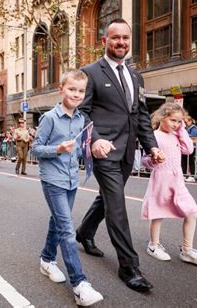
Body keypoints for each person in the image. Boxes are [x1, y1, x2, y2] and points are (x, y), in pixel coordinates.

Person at [75, 18, 162, 293]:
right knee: (117, 205)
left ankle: (85, 232)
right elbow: (81, 113)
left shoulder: (137, 76)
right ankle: (129, 266)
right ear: (104, 41)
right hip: (104, 151)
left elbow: (141, 115)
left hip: (127, 151)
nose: (121, 42)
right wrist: (95, 140)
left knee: (107, 199)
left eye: (125, 38)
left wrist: (152, 146)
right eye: (115, 38)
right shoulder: (90, 72)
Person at [32, 69, 103, 307]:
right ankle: (80, 284)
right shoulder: (50, 118)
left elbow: (81, 148)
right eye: (71, 89)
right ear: (61, 89)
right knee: (67, 229)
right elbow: (36, 149)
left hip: (72, 179)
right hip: (53, 180)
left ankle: (46, 259)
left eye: (81, 91)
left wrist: (96, 147)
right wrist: (58, 149)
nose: (76, 94)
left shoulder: (82, 119)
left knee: (58, 222)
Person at [141, 102, 197, 267]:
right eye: (173, 120)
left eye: (179, 121)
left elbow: (188, 150)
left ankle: (187, 250)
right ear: (161, 117)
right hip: (161, 178)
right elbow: (145, 160)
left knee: (192, 212)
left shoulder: (176, 135)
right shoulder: (154, 136)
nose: (176, 124)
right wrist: (153, 159)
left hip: (177, 180)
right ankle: (153, 245)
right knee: (158, 214)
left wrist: (181, 131)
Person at [181, 115, 197, 182]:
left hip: (192, 146)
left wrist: (183, 135)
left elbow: (193, 135)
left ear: (190, 121)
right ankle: (184, 175)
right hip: (185, 146)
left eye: (186, 121)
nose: (185, 123)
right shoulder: (185, 128)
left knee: (191, 161)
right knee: (184, 161)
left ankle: (192, 176)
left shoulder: (194, 127)